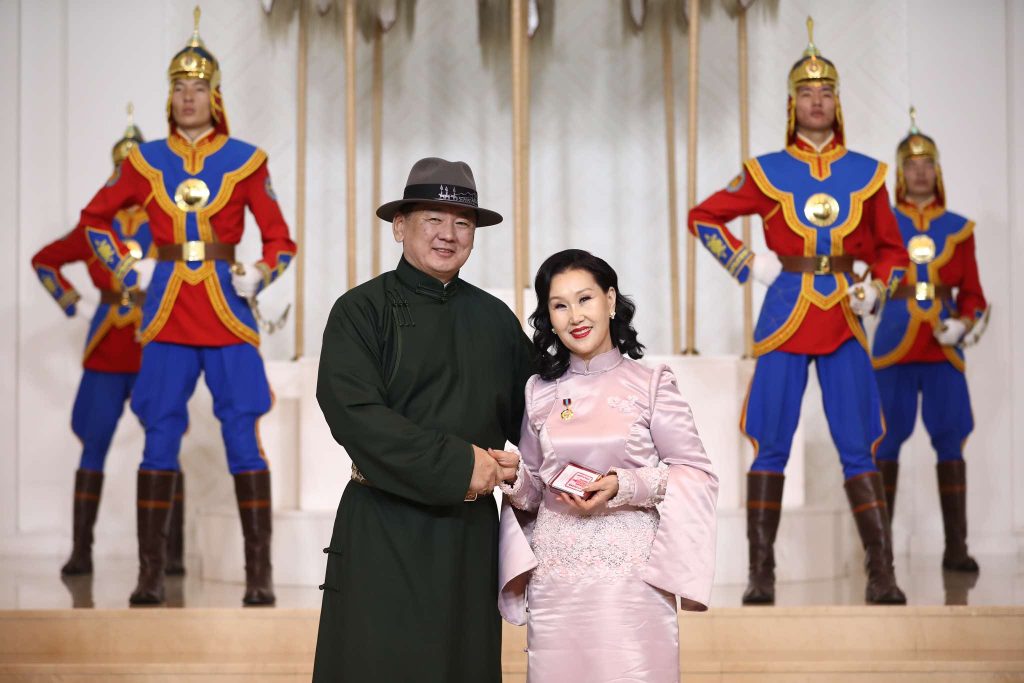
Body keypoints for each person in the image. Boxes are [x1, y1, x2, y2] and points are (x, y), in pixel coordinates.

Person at [74, 7, 296, 606]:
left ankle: (259, 576)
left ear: (214, 95)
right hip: (166, 312)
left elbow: (280, 239)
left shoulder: (247, 159)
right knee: (158, 438)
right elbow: (94, 220)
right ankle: (150, 575)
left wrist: (260, 273)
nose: (188, 97)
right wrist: (128, 268)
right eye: (179, 88)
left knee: (243, 437)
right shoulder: (144, 160)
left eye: (198, 88)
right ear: (169, 97)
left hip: (226, 311)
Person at [687, 17, 909, 604]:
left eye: (826, 91)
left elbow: (892, 250)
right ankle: (761, 573)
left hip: (845, 316)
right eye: (807, 92)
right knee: (771, 441)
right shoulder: (766, 170)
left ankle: (881, 572)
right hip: (786, 310)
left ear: (838, 101)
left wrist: (878, 289)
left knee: (859, 443)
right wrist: (748, 264)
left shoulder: (868, 174)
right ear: (792, 103)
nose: (817, 101)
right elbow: (703, 217)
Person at [312, 157, 534, 682]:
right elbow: (356, 416)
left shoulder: (494, 319)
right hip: (383, 526)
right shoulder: (360, 311)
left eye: (462, 223)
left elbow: (537, 414)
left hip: (469, 537)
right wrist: (460, 465)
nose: (447, 234)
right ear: (400, 226)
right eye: (432, 219)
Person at [496, 249, 718, 683]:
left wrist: (624, 484)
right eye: (560, 305)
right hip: (556, 579)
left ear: (610, 300)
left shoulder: (651, 384)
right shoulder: (538, 391)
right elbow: (535, 491)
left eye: (585, 299)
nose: (575, 316)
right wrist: (513, 475)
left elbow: (694, 472)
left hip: (631, 581)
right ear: (549, 317)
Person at [31, 112, 190, 578]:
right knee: (93, 444)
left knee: (165, 445)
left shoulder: (170, 221)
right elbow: (44, 261)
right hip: (105, 352)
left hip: (156, 347)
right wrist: (73, 304)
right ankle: (81, 551)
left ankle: (172, 553)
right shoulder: (95, 228)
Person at [872, 109, 988, 573]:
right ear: (901, 174)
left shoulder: (959, 229)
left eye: (927, 164)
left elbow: (973, 295)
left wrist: (963, 324)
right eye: (911, 165)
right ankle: (881, 556)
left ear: (937, 171)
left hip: (943, 351)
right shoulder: (882, 223)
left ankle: (956, 548)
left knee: (951, 441)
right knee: (884, 444)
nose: (919, 172)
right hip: (894, 347)